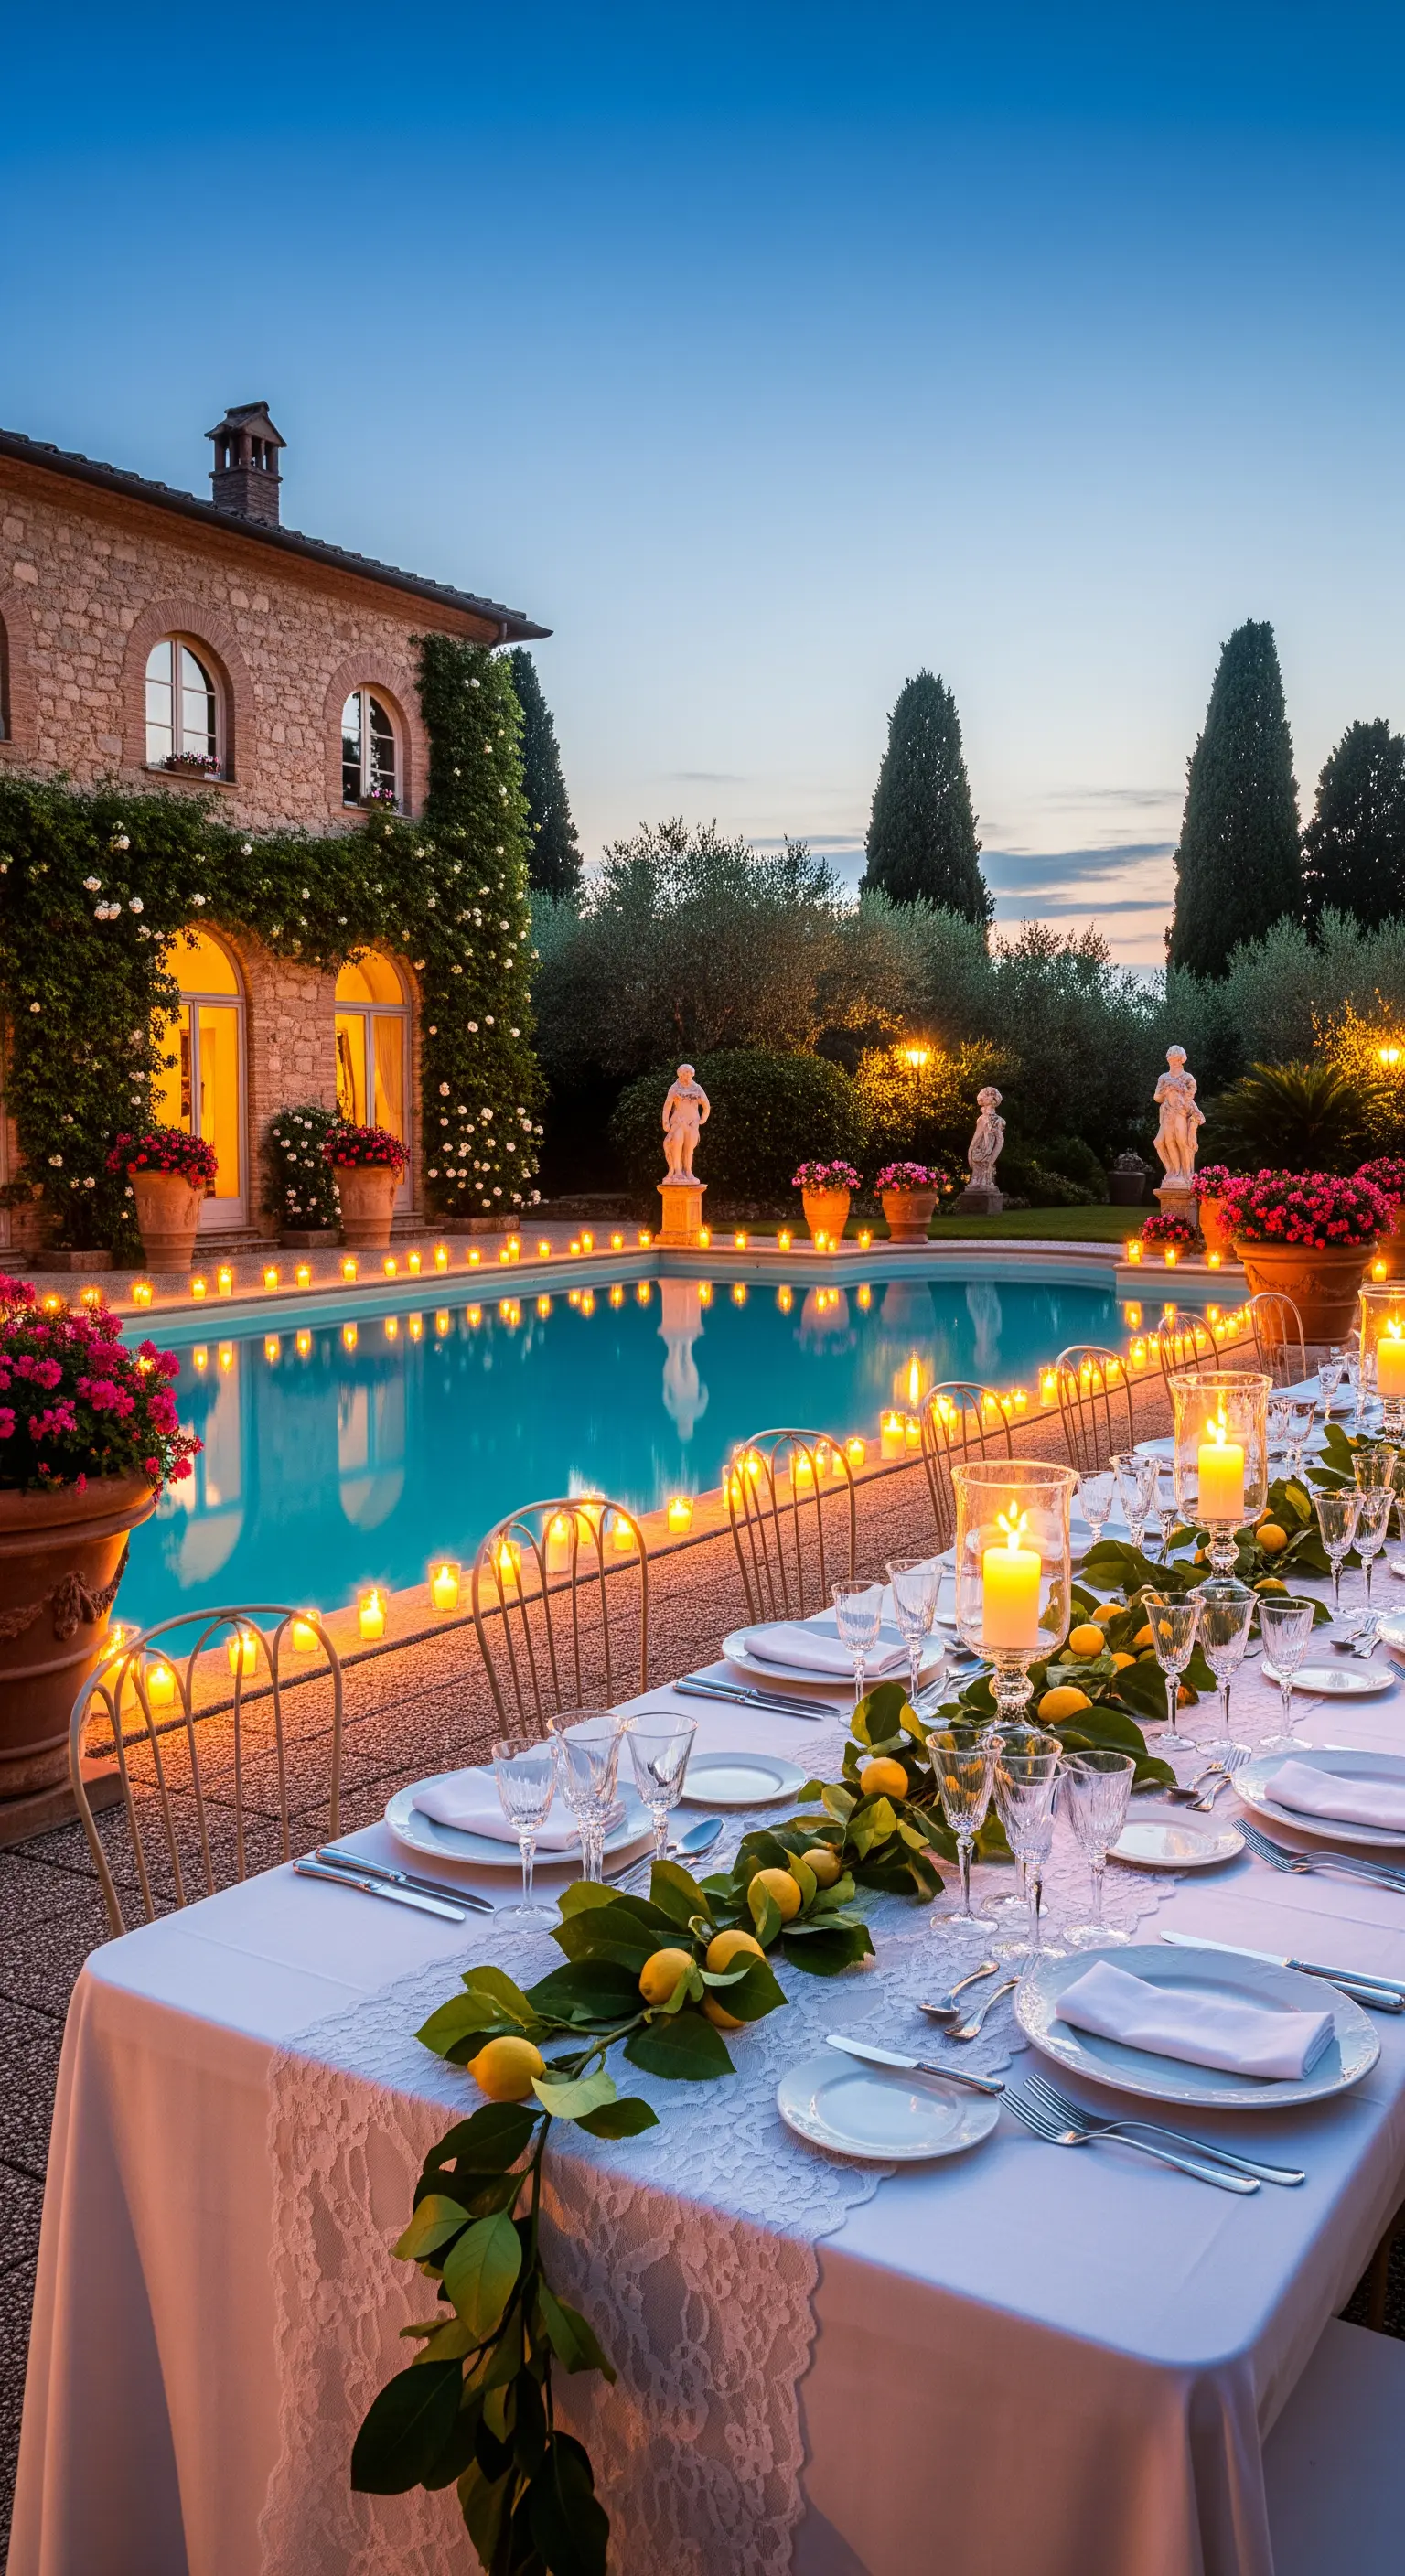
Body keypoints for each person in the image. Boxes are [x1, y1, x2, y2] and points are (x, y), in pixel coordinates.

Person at [1153, 1046, 1204, 1186]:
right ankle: (1174, 1171)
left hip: (1181, 1112)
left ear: (1182, 1060)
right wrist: (1165, 1092)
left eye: (1177, 1059)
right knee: (1168, 1142)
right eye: (1172, 1059)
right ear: (1168, 1059)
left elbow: (1190, 1095)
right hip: (1168, 1113)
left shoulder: (1187, 1077)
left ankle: (1186, 1174)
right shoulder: (1163, 1077)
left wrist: (1179, 1088)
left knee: (1182, 1142)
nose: (1175, 1062)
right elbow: (1157, 1097)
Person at [661, 1065, 711, 1181]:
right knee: (677, 1144)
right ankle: (678, 1171)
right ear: (680, 1074)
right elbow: (667, 1107)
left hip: (692, 1122)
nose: (686, 1076)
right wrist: (665, 1122)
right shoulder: (674, 1088)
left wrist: (703, 1118)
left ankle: (688, 1171)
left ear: (692, 1074)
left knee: (689, 1147)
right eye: (684, 1074)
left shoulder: (697, 1088)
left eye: (689, 1074)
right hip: (678, 1121)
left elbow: (706, 1105)